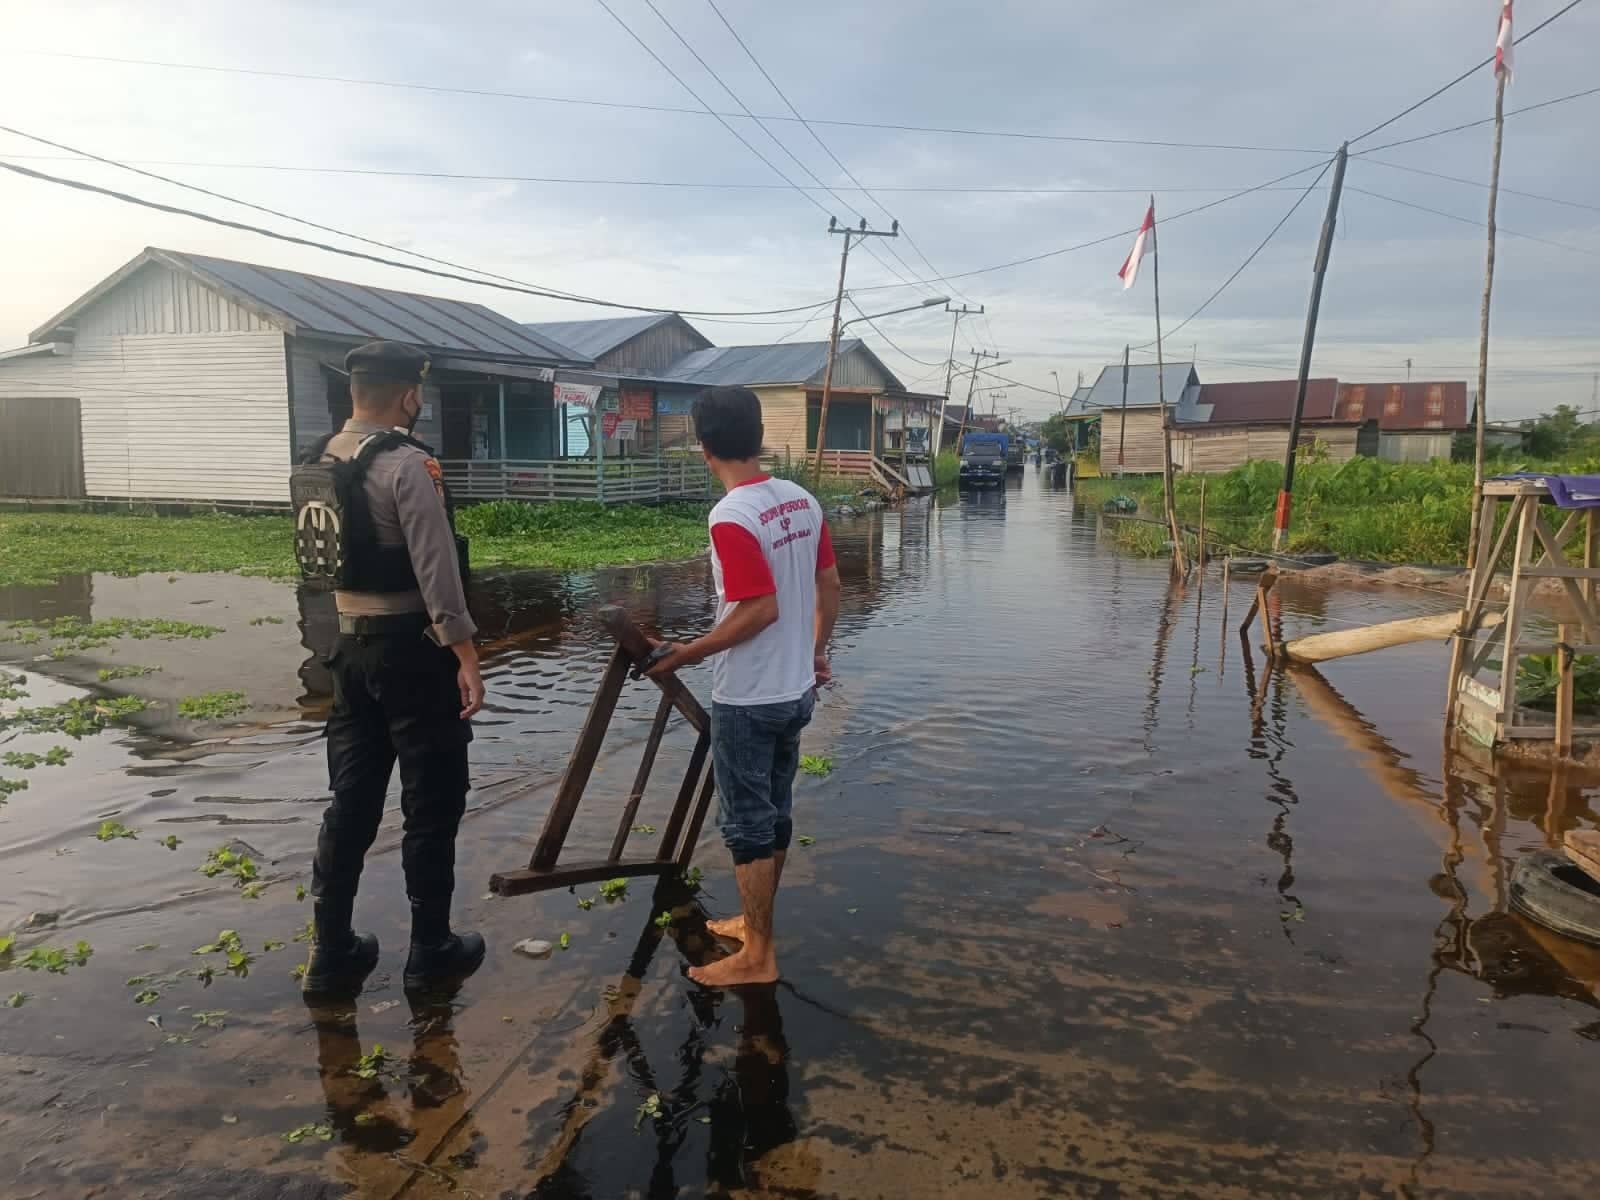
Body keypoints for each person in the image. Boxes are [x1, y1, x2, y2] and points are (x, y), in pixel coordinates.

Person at [295, 340, 487, 996]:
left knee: (351, 800)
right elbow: (437, 567)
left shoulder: (321, 459)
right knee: (432, 802)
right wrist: (464, 652)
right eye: (418, 395)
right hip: (412, 651)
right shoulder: (409, 464)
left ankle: (330, 954)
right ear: (409, 395)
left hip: (345, 650)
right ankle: (430, 948)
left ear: (354, 393)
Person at [647, 386, 841, 987]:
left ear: (704, 448)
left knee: (747, 827)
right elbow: (829, 586)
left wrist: (685, 653)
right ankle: (755, 927)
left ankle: (758, 955)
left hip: (751, 698)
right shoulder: (801, 500)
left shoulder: (731, 515)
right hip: (795, 691)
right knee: (775, 814)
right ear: (758, 437)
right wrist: (814, 651)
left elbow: (757, 609)